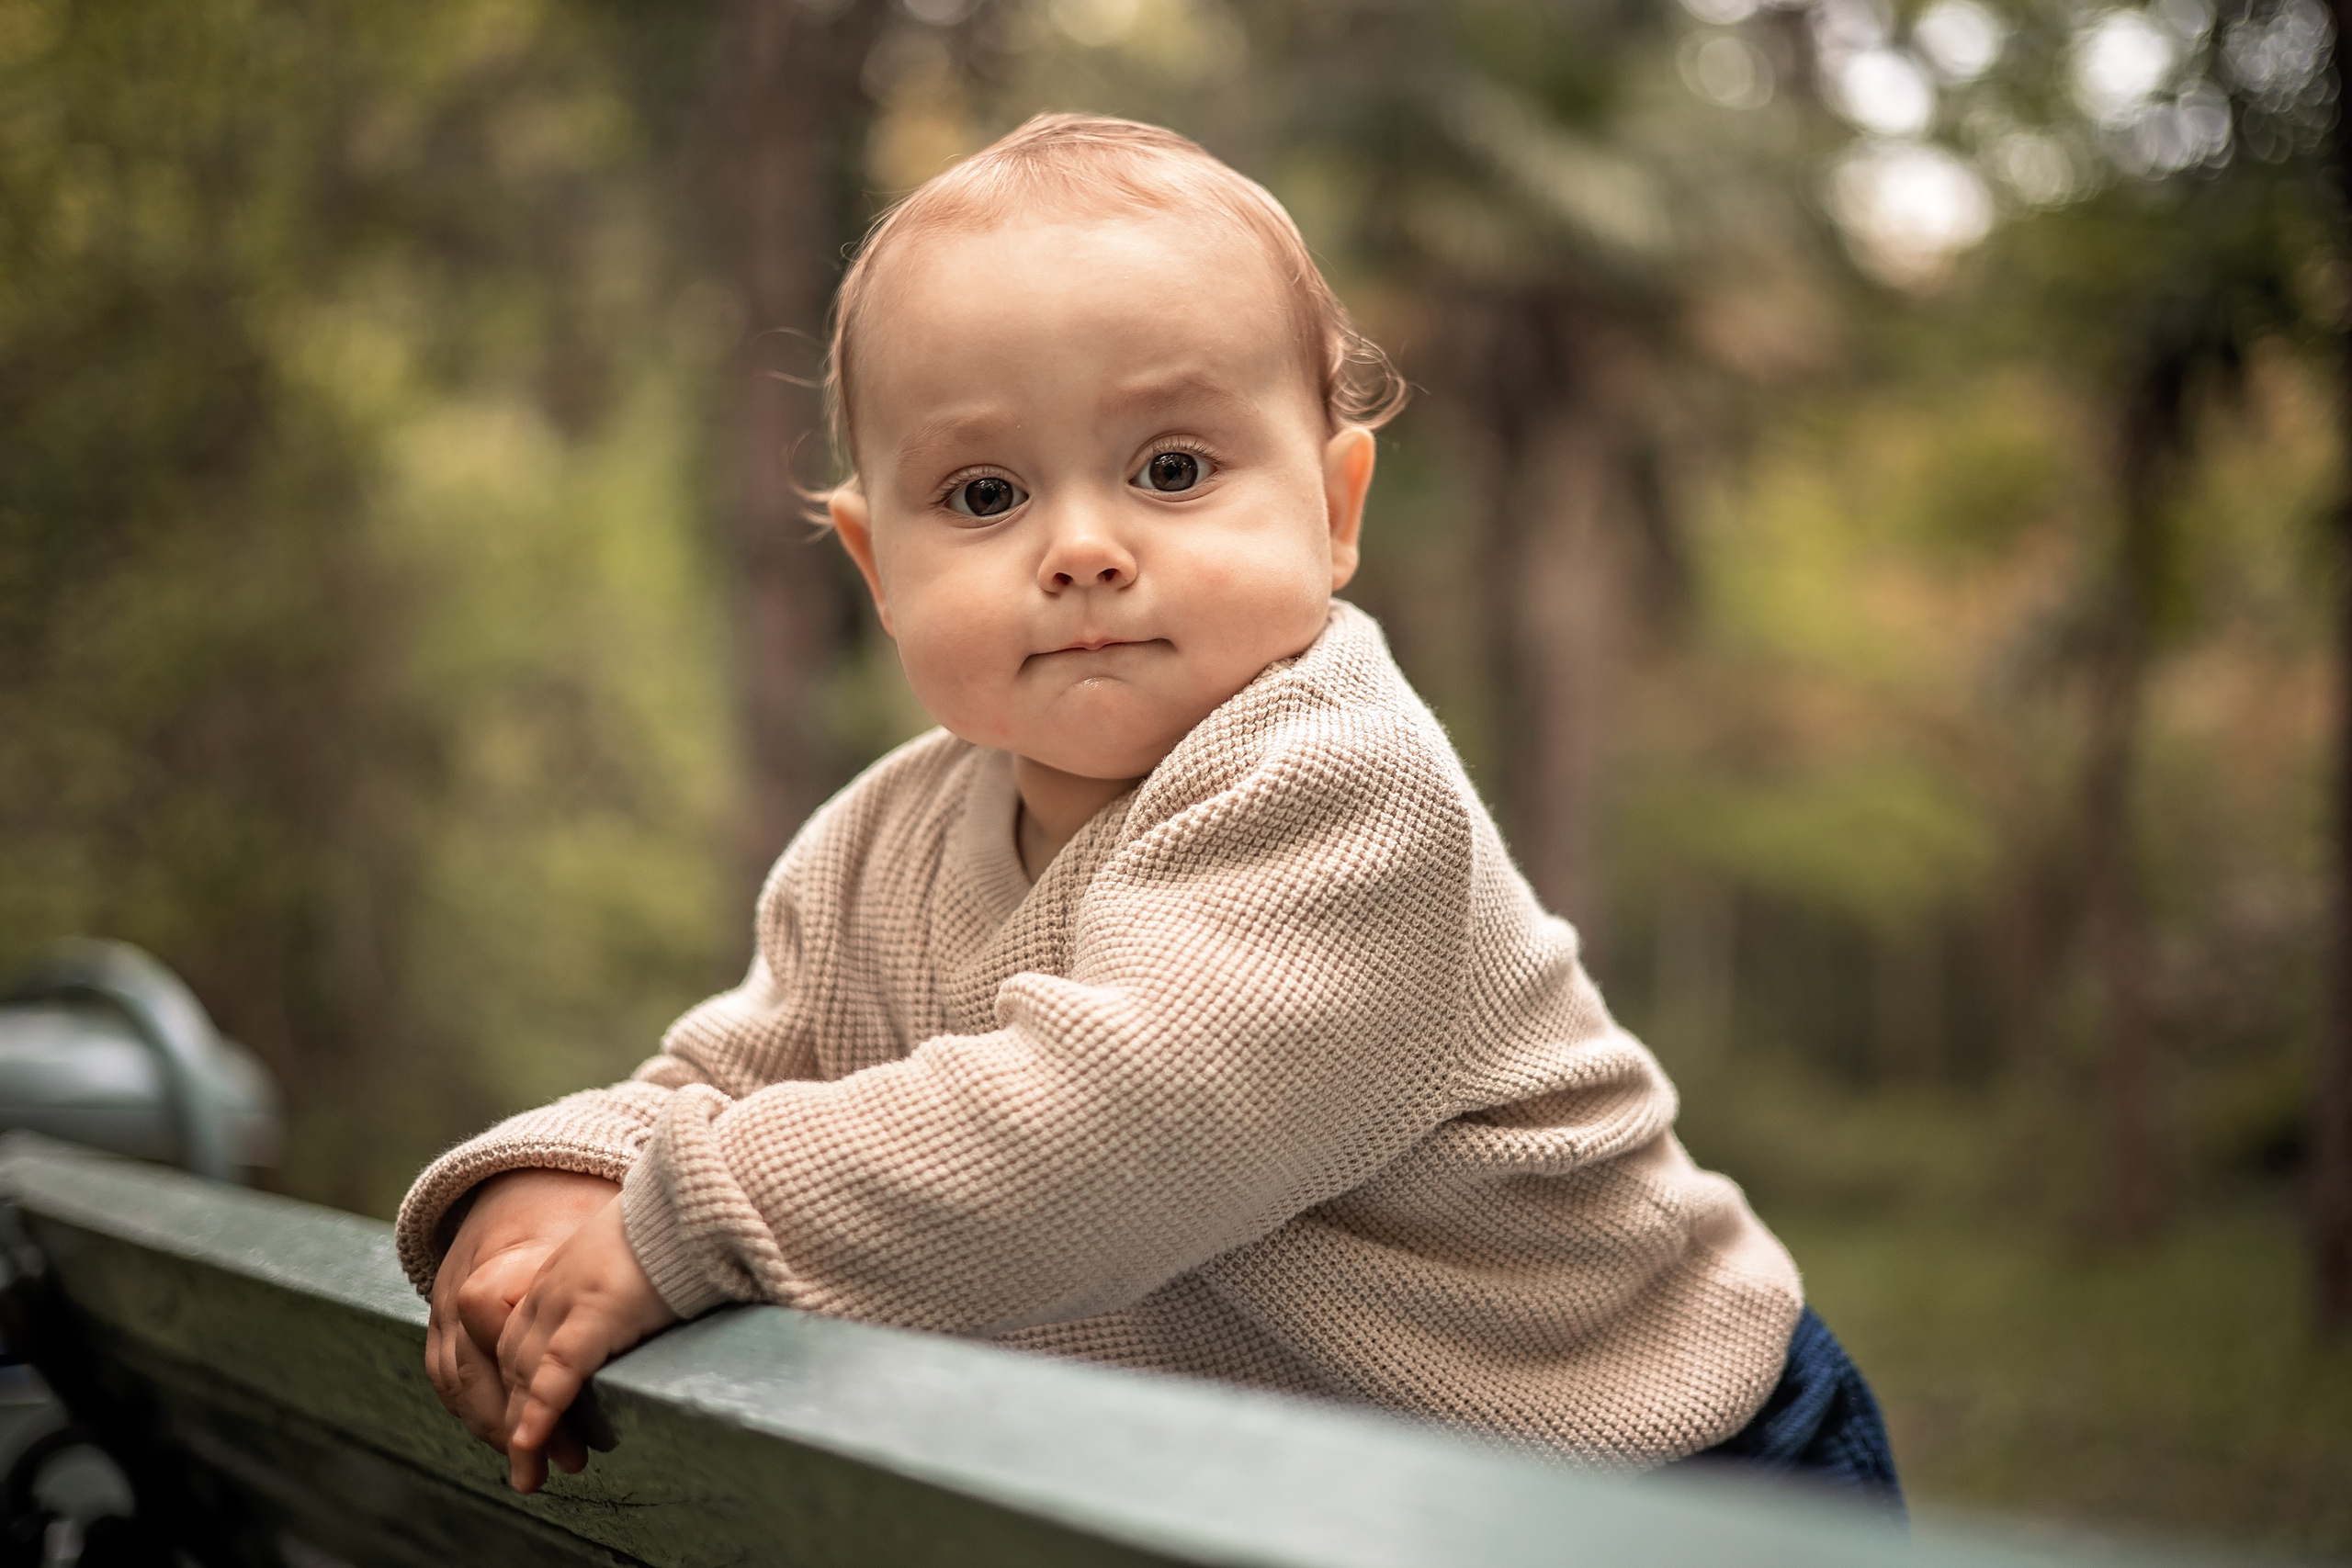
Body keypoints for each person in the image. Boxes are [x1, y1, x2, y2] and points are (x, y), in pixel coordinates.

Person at [395, 111, 1901, 1508]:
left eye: (1172, 469)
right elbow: (730, 1074)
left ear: (1336, 508)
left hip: (1653, 1468)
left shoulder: (1336, 784)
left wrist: (678, 1224)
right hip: (1340, 1497)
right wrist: (544, 1184)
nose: (1083, 549)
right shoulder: (880, 844)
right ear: (876, 566)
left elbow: (1097, 1131)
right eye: (983, 497)